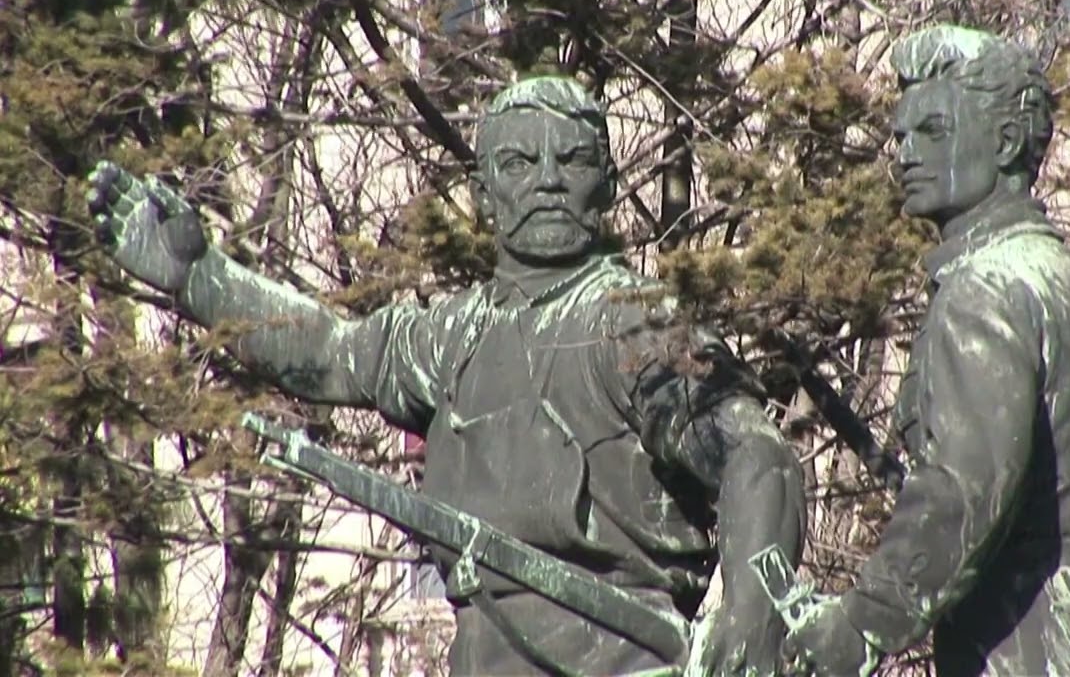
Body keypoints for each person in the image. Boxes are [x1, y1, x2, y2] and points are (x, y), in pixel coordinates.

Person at [87, 76, 805, 676]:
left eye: (573, 160)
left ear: (608, 184)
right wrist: (201, 276)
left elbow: (756, 454)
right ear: (483, 192)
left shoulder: (637, 324)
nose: (548, 180)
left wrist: (751, 613)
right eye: (519, 163)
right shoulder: (449, 336)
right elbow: (332, 350)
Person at [780, 25, 1070, 675]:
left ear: (1007, 142)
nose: (904, 153)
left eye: (932, 131)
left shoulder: (982, 291)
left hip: (1030, 632)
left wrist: (861, 623)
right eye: (900, 135)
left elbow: (963, 489)